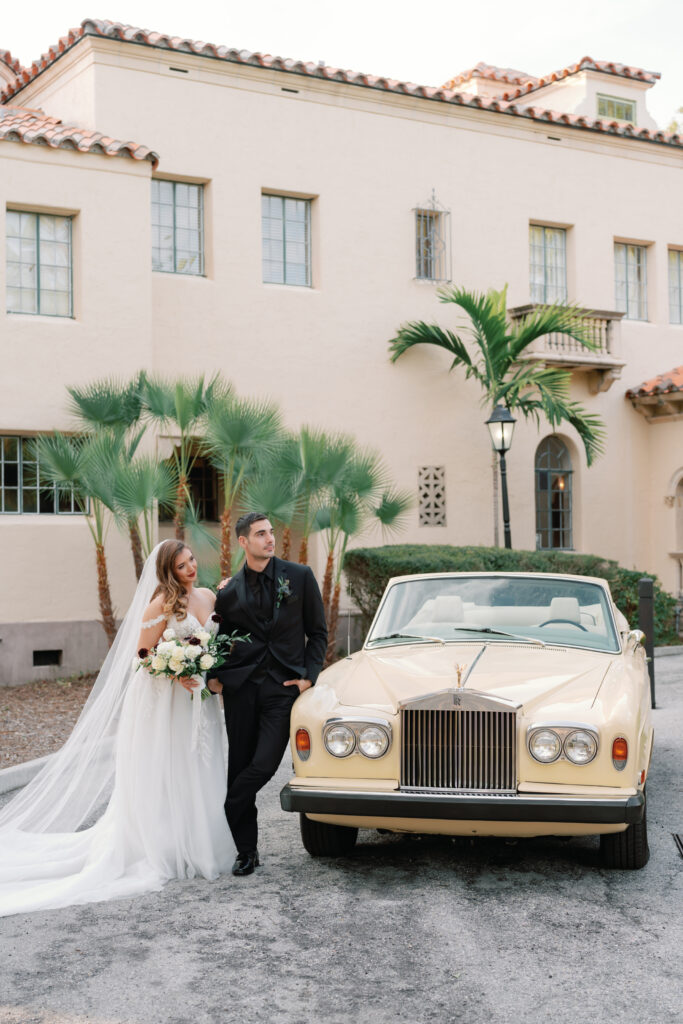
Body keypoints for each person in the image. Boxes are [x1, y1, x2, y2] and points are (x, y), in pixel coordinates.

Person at [0, 540, 234, 917]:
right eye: (181, 565)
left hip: (200, 699)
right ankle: (165, 846)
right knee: (168, 769)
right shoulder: (160, 605)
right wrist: (177, 673)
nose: (191, 567)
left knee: (199, 764)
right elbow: (142, 656)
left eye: (191, 560)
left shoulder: (208, 596)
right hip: (167, 702)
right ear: (168, 572)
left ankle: (199, 841)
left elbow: (216, 641)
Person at [209, 512, 327, 876]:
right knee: (240, 765)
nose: (270, 539)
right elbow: (220, 639)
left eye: (271, 532)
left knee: (264, 764)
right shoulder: (227, 592)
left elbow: (318, 633)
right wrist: (215, 675)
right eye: (260, 534)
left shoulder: (300, 577)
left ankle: (227, 807)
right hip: (241, 689)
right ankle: (247, 851)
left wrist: (308, 677)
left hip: (283, 688)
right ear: (243, 541)